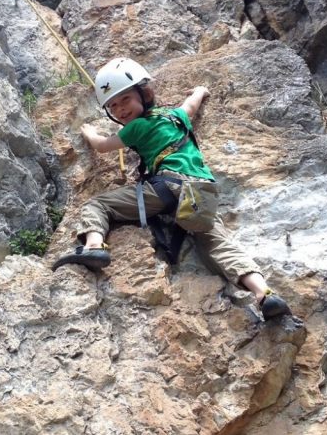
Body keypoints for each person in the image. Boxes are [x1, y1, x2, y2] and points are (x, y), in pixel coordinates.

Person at [53, 57, 290, 320]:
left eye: (125, 100)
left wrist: (88, 131)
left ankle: (93, 246)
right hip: (201, 192)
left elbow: (101, 145)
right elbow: (190, 107)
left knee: (98, 204)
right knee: (218, 244)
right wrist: (200, 91)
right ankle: (263, 293)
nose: (120, 110)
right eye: (113, 106)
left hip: (166, 187)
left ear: (145, 93)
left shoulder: (136, 127)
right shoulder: (175, 117)